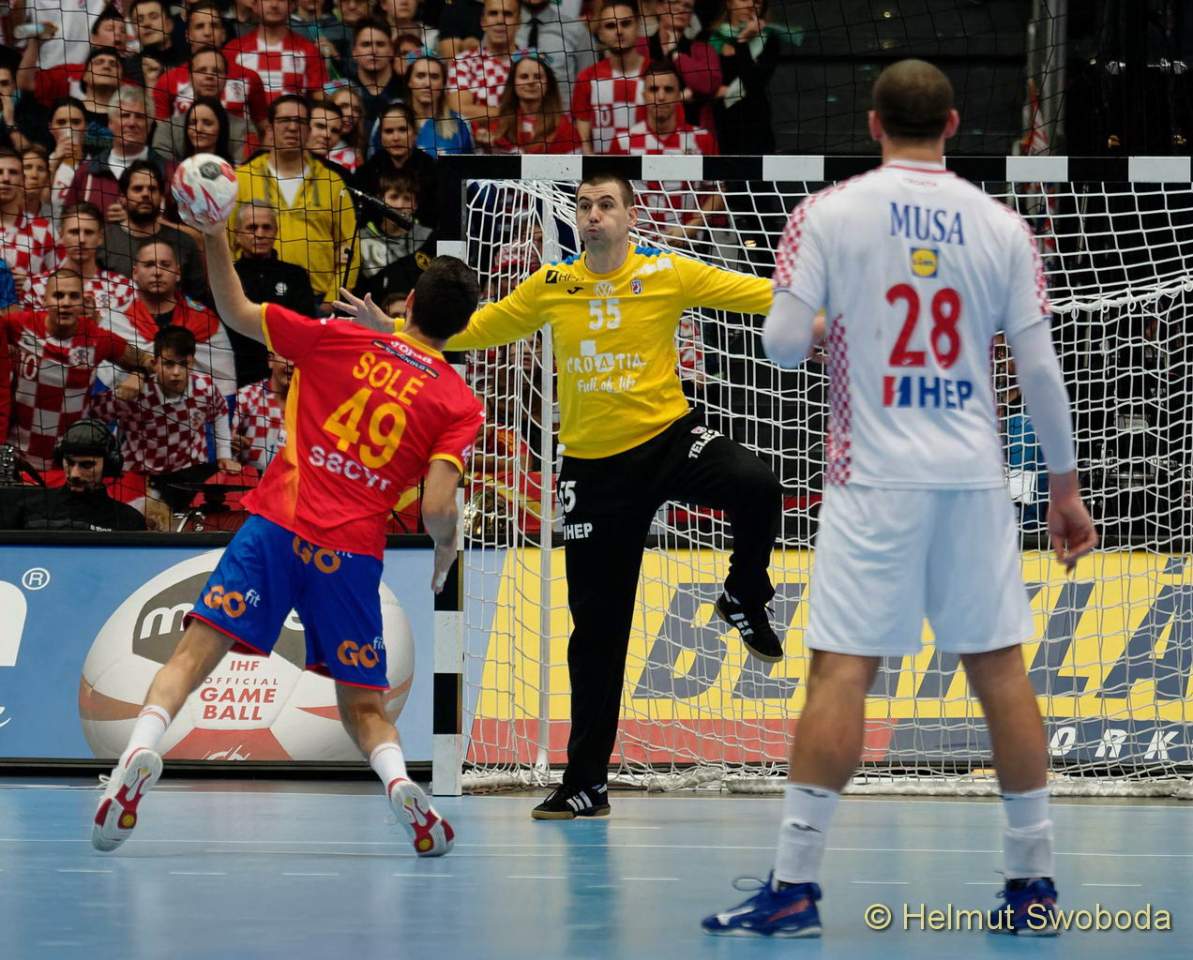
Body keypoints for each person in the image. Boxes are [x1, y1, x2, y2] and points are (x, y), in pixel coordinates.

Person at [700, 59, 1099, 938]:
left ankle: (795, 887)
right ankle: (1031, 883)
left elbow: (779, 347)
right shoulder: (1000, 225)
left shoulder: (827, 213)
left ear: (873, 125)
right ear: (952, 125)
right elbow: (1039, 371)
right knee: (999, 671)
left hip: (871, 480)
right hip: (971, 478)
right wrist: (1064, 488)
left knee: (841, 671)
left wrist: (832, 323)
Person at [337, 171, 784, 820]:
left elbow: (763, 295)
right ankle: (585, 784)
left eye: (605, 205)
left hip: (668, 439)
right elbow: (476, 328)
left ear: (631, 217)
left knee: (757, 485)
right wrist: (398, 329)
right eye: (583, 205)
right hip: (594, 473)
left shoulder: (669, 273)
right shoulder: (551, 283)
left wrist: (835, 303)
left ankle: (743, 595)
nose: (592, 214)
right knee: (596, 634)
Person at [91, 195, 485, 860]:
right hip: (351, 554)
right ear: (463, 325)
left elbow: (236, 309)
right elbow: (439, 508)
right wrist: (445, 553)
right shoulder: (458, 401)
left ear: (410, 303)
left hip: (278, 524)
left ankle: (137, 753)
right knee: (363, 707)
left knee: (192, 654)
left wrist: (213, 232)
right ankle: (399, 785)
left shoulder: (338, 337)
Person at [4, 267, 150, 470]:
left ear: (83, 301)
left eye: (73, 296)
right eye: (58, 295)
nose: (65, 302)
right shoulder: (19, 325)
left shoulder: (97, 338)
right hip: (15, 455)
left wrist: (139, 375)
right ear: (45, 300)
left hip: (67, 461)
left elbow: (148, 361)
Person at [87, 325, 240, 512]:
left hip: (186, 474)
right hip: (140, 476)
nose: (176, 372)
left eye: (183, 364)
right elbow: (93, 414)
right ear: (154, 363)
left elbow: (221, 411)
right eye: (168, 364)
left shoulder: (205, 387)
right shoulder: (137, 393)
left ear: (192, 362)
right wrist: (120, 395)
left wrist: (224, 454)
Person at [0, 419, 147, 531]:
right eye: (69, 462)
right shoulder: (26, 509)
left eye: (87, 465)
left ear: (108, 465)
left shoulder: (129, 521)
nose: (75, 474)